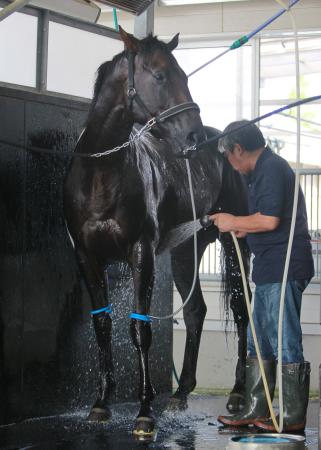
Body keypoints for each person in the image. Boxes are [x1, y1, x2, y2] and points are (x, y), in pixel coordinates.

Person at [210, 120, 314, 432]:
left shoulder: (271, 169)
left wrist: (231, 220)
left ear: (238, 149)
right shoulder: (261, 173)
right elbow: (263, 220)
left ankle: (293, 417)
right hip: (269, 269)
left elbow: (269, 220)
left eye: (229, 156)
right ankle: (257, 407)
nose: (230, 162)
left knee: (284, 342)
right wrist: (242, 226)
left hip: (284, 268)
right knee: (260, 343)